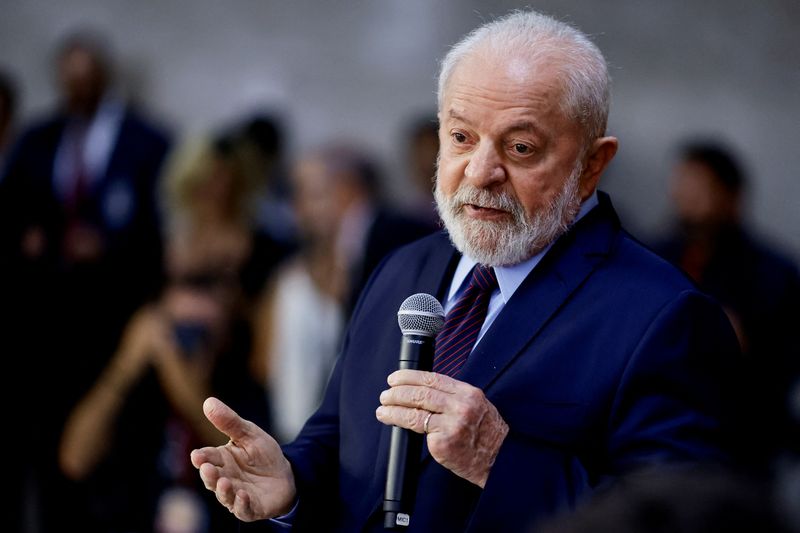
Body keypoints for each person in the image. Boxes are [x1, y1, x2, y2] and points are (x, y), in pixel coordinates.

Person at [190, 10, 741, 532]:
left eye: (520, 147)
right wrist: (291, 484)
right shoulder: (404, 268)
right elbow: (338, 437)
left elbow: (679, 520)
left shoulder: (665, 316)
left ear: (593, 163)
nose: (480, 171)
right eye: (460, 137)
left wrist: (501, 462)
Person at [652, 140, 800, 471]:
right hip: (661, 435)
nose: (684, 194)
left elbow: (784, 361)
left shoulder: (772, 272)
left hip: (741, 442)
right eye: (681, 182)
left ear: (731, 195)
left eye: (699, 184)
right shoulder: (653, 258)